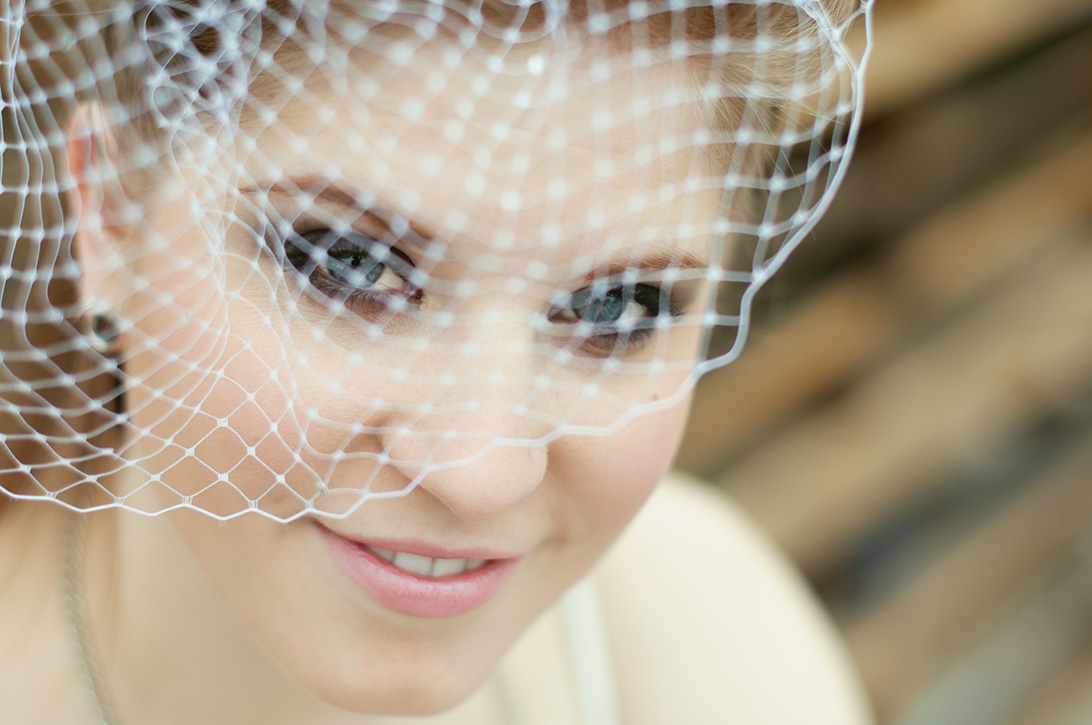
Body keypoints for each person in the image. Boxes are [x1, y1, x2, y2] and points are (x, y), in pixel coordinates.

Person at [0, 1, 873, 723]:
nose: (480, 475)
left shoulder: (705, 643)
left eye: (615, 307)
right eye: (349, 264)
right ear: (106, 210)